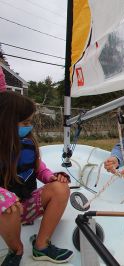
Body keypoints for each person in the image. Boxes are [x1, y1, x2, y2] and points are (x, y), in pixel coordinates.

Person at [0, 91, 73, 265]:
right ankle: (16, 250)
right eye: (25, 122)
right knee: (7, 202)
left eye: (30, 122)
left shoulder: (28, 142)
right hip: (5, 212)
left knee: (60, 188)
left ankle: (41, 246)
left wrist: (50, 177)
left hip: (25, 207)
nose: (29, 127)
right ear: (6, 122)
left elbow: (38, 167)